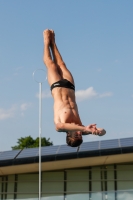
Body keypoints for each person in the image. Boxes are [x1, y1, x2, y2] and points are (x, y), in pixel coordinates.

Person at [43, 29, 106, 147]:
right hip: (70, 87)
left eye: (76, 134)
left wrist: (83, 129)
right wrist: (98, 132)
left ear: (68, 134)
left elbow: (59, 126)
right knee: (61, 64)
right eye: (80, 135)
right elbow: (103, 132)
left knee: (51, 64)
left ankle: (46, 41)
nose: (79, 132)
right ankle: (53, 42)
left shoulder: (61, 127)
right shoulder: (82, 128)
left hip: (57, 86)